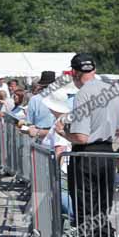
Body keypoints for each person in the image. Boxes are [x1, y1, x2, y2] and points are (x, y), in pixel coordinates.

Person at [54, 53, 119, 237]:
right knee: (102, 213)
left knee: (86, 215)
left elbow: (82, 137)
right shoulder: (111, 89)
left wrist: (63, 132)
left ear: (75, 72)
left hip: (87, 155)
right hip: (107, 154)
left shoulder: (83, 93)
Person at [41, 89, 75, 218]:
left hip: (61, 171)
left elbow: (60, 149)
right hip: (64, 169)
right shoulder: (64, 120)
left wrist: (54, 172)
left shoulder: (60, 122)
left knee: (62, 201)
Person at [26, 71, 57, 140]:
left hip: (40, 136)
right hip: (56, 137)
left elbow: (29, 122)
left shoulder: (34, 99)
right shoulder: (62, 98)